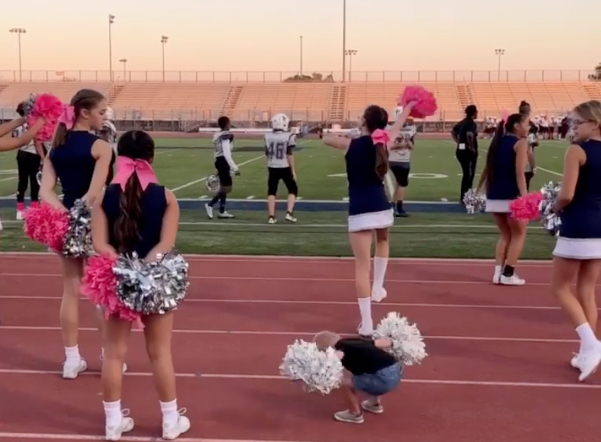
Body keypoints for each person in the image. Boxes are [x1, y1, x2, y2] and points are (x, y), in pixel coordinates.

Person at [91, 130, 190, 440]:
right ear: (152, 157)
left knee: (114, 353)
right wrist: (145, 270)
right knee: (160, 352)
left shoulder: (104, 197)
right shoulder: (166, 196)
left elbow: (99, 245)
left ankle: (112, 424)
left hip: (116, 283)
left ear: (119, 157)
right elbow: (166, 244)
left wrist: (124, 269)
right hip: (155, 283)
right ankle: (170, 422)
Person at [38, 89, 114, 379]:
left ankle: (71, 360)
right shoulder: (101, 147)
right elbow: (95, 192)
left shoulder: (56, 147)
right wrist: (81, 216)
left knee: (70, 291)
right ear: (85, 112)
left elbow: (46, 191)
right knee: (101, 293)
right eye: (101, 111)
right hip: (96, 223)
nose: (104, 116)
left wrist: (65, 215)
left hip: (65, 223)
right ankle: (109, 357)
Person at [323, 103, 414, 336]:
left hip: (360, 208)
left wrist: (352, 132)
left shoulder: (351, 144)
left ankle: (367, 323)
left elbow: (326, 138)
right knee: (383, 242)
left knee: (362, 266)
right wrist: (409, 107)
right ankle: (378, 287)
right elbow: (399, 123)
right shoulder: (383, 142)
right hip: (381, 205)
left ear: (364, 121)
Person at [550, 100, 601, 382]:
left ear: (594, 123)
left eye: (577, 122)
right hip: (600, 225)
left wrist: (554, 207)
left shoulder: (576, 151)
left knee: (559, 287)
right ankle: (587, 351)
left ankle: (592, 344)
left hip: (578, 224)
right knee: (587, 289)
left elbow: (567, 194)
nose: (573, 128)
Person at [477, 114, 529, 285]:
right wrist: (525, 196)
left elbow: (487, 169)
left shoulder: (496, 143)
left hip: (494, 195)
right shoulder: (520, 143)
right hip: (512, 195)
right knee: (519, 235)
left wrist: (479, 189)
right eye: (526, 124)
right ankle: (508, 274)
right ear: (516, 126)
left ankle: (497, 273)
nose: (528, 127)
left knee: (505, 235)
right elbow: (519, 173)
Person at [314, 331, 401, 424]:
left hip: (383, 380)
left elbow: (336, 358)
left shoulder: (340, 349)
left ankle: (354, 414)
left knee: (345, 384)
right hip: (397, 371)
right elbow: (383, 343)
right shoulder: (354, 341)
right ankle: (374, 403)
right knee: (368, 369)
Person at [13, 102, 46, 220]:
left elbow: (14, 138)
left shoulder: (16, 123)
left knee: (22, 181)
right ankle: (34, 208)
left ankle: (19, 210)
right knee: (34, 182)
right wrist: (43, 157)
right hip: (32, 154)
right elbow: (37, 141)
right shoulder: (33, 123)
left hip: (21, 153)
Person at [265, 113, 298, 224]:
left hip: (272, 166)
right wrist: (293, 170)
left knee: (271, 191)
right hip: (284, 166)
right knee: (293, 189)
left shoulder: (267, 136)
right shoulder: (289, 135)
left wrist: (269, 164)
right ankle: (289, 213)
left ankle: (271, 216)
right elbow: (289, 154)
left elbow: (267, 153)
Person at [205, 116, 237, 219]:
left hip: (219, 160)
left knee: (224, 187)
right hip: (223, 161)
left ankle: (222, 211)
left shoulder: (217, 134)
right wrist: (234, 167)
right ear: (227, 124)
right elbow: (227, 153)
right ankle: (210, 205)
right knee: (227, 188)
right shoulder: (225, 135)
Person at [388, 108, 416, 217]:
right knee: (403, 184)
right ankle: (399, 209)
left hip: (401, 159)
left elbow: (412, 147)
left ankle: (393, 205)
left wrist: (407, 143)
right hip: (398, 160)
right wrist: (403, 145)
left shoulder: (410, 128)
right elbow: (389, 145)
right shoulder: (390, 129)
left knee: (399, 183)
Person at [452, 105, 479, 203]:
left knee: (466, 173)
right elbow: (470, 135)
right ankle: (466, 196)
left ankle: (464, 196)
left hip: (460, 148)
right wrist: (472, 147)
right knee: (469, 174)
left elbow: (453, 131)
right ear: (474, 113)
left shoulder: (462, 122)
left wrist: (459, 142)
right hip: (468, 151)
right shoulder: (471, 123)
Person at [519, 101, 538, 190]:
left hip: (514, 161)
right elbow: (530, 149)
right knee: (524, 188)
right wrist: (534, 165)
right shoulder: (529, 125)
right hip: (525, 162)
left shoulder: (514, 122)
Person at [97, 106, 118, 185]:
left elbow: (103, 135)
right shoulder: (111, 125)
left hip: (107, 150)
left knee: (104, 172)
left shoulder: (106, 125)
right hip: (111, 150)